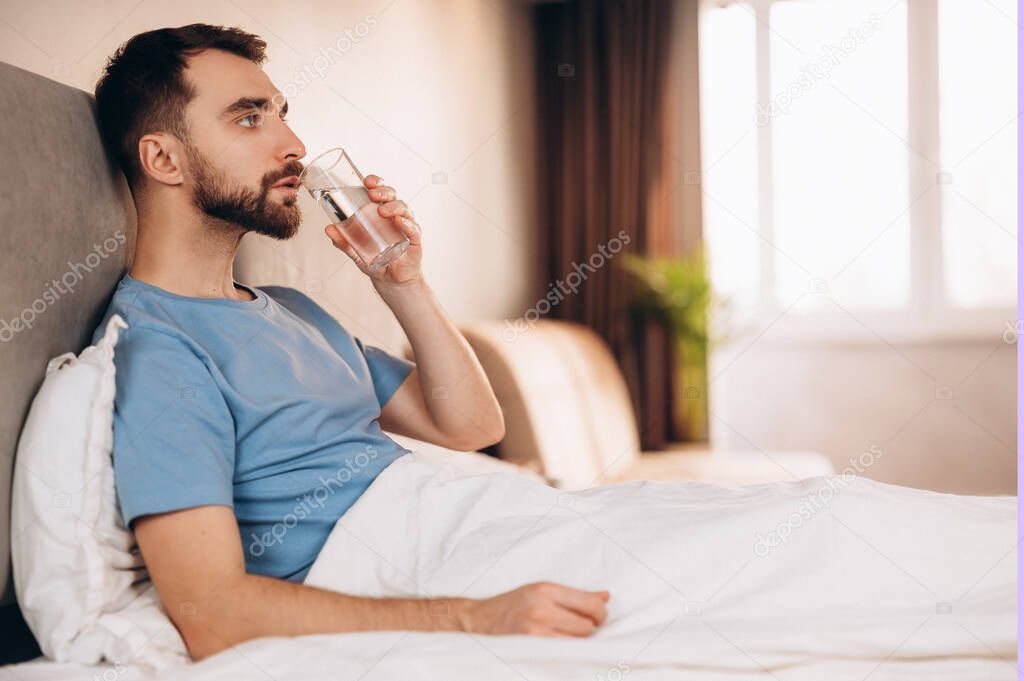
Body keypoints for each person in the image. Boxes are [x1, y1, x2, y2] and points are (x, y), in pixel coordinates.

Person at [91, 23, 609, 660]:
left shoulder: (292, 311)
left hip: (488, 524)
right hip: (423, 573)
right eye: (250, 119)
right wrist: (475, 617)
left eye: (282, 113)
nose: (294, 145)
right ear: (163, 159)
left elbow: (470, 426)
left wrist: (404, 284)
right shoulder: (157, 349)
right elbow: (212, 614)